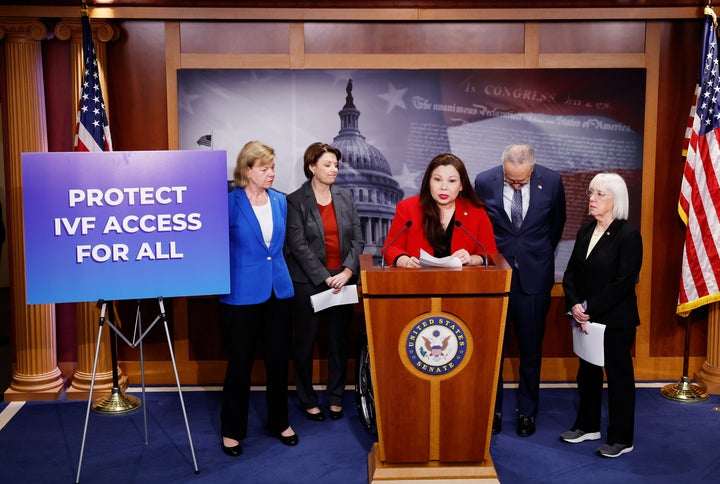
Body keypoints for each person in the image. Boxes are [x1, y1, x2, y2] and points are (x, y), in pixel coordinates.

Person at [474, 144, 566, 437]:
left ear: (533, 170)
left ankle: (527, 412)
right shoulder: (484, 180)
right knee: (493, 352)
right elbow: (478, 226)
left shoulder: (552, 181)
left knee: (531, 350)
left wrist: (536, 255)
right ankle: (493, 411)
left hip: (534, 279)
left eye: (522, 181)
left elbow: (557, 225)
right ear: (502, 168)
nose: (516, 184)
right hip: (495, 277)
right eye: (510, 180)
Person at [219, 140, 298, 457]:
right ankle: (232, 430)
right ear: (246, 170)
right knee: (240, 365)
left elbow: (278, 248)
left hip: (278, 291)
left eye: (273, 168)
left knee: (278, 362)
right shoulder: (229, 203)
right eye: (264, 168)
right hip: (240, 294)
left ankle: (280, 422)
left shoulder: (280, 201)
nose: (271, 173)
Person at [560, 172, 642, 458]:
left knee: (619, 379)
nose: (591, 200)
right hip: (585, 319)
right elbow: (571, 274)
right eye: (591, 193)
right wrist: (574, 305)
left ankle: (621, 438)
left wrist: (588, 309)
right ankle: (588, 426)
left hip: (615, 321)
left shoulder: (629, 235)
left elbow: (623, 282)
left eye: (599, 194)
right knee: (587, 375)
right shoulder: (585, 231)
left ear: (615, 200)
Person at [285, 142, 365, 422]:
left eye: (336, 165)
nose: (334, 170)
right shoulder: (296, 200)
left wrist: (345, 272)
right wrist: (324, 276)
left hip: (342, 281)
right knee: (305, 344)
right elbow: (297, 245)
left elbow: (358, 239)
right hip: (309, 282)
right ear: (312, 167)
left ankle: (335, 397)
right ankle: (307, 399)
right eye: (328, 165)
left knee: (338, 343)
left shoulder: (345, 197)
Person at [383, 152, 497, 268]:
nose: (444, 187)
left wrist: (472, 259)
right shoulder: (407, 207)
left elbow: (490, 252)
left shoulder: (476, 212)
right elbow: (390, 249)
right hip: (416, 280)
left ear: (461, 185)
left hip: (462, 283)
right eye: (437, 180)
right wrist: (405, 261)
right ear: (429, 182)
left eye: (451, 181)